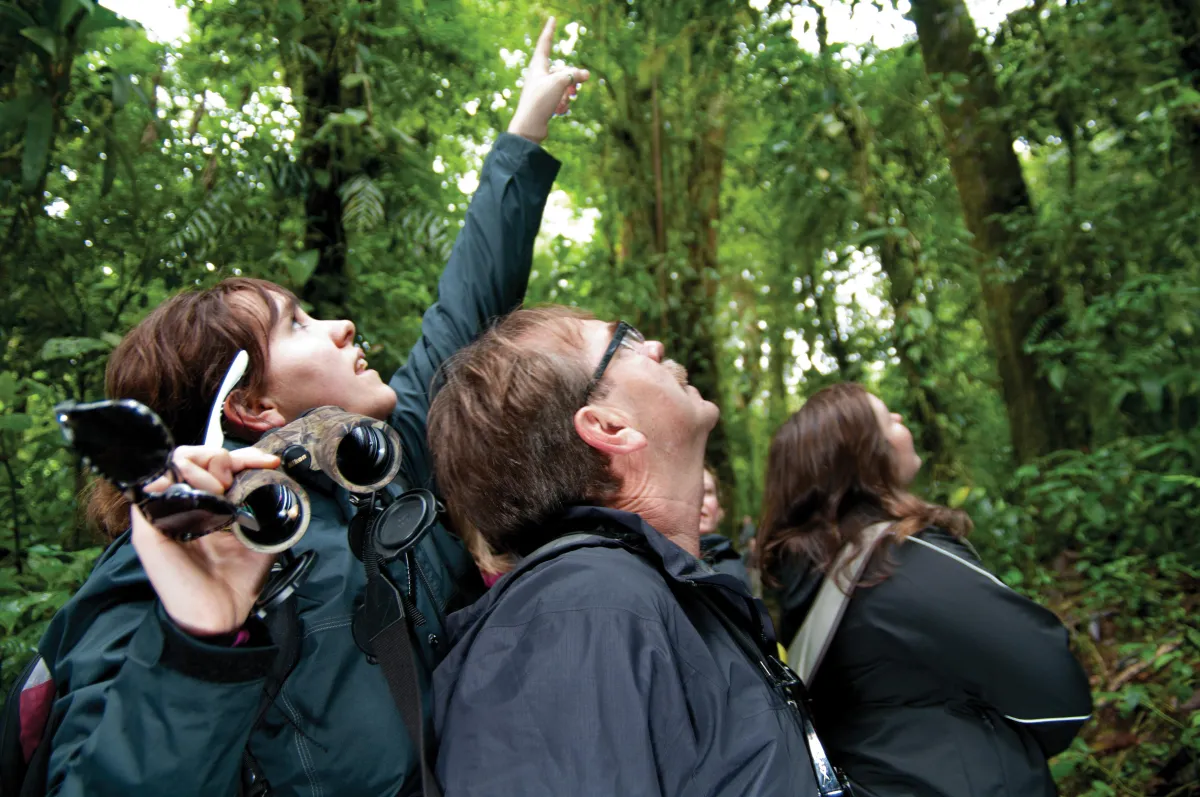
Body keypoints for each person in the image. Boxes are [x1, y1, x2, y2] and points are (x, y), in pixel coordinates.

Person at [34, 20, 586, 797]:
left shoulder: (385, 467)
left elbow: (467, 305)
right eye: (297, 323)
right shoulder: (186, 554)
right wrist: (201, 639)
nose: (341, 326)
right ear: (252, 403)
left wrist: (523, 132)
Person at [425, 309, 831, 797]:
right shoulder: (580, 612)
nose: (655, 347)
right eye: (625, 341)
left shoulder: (645, 596)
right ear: (610, 428)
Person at [758, 382, 1093, 797]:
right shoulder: (896, 562)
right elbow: (1053, 686)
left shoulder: (807, 576)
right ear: (865, 456)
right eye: (888, 418)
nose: (901, 420)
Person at [697, 467, 750, 588]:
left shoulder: (732, 571)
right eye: (693, 490)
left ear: (720, 511)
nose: (700, 499)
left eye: (707, 491)